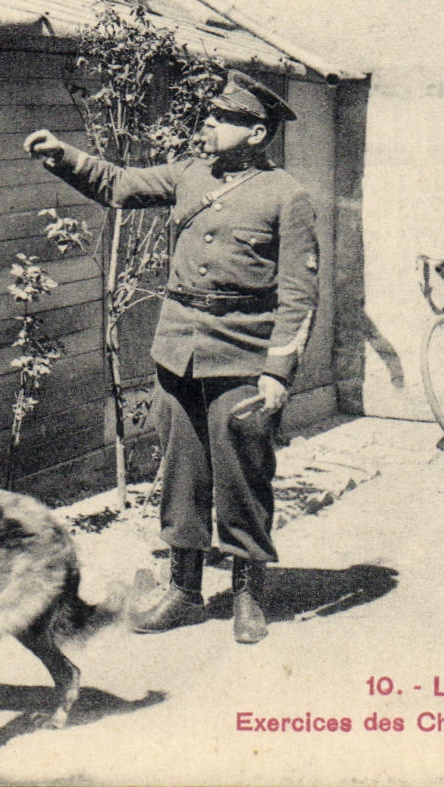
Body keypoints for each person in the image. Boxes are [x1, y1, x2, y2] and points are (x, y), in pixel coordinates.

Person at [23, 70, 319, 645]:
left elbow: (299, 295)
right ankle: (183, 590)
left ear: (256, 133)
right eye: (209, 115)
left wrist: (279, 371)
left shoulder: (288, 195)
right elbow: (118, 183)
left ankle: (248, 592)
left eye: (222, 118)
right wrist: (63, 156)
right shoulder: (188, 173)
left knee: (242, 474)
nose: (206, 124)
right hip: (178, 350)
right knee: (183, 471)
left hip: (245, 358)